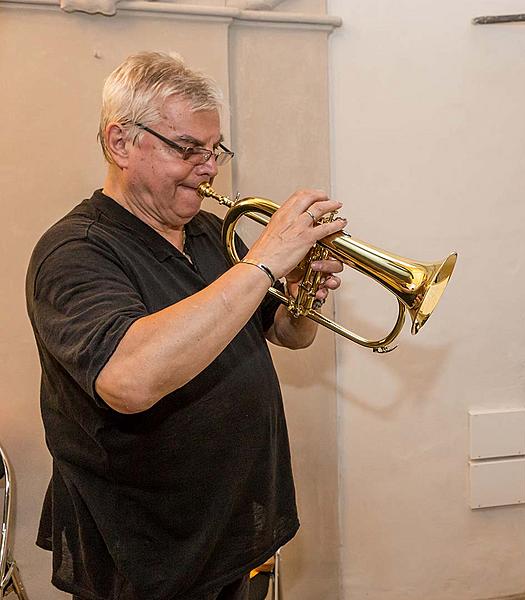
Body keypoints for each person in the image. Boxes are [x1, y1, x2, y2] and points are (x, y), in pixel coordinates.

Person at [25, 51, 346, 600]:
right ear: (121, 143)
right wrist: (264, 262)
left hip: (239, 526)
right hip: (146, 549)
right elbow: (128, 380)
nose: (209, 166)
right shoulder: (75, 252)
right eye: (187, 149)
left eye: (213, 148)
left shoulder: (209, 231)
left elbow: (290, 335)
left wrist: (299, 297)